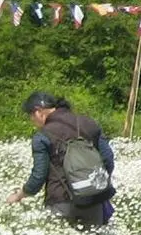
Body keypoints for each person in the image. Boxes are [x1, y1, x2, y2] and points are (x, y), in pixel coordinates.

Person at [7, 91, 116, 228]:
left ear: (38, 112)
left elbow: (38, 176)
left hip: (61, 202)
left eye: (31, 116)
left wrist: (19, 195)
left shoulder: (43, 136)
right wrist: (93, 184)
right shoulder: (89, 124)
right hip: (93, 201)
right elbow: (108, 159)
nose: (32, 122)